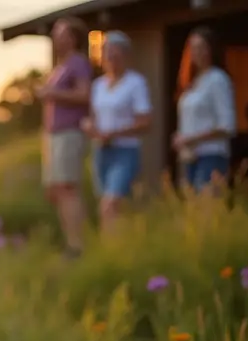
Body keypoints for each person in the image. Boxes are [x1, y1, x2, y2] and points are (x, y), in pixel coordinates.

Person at [81, 31, 152, 233]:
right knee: (108, 204)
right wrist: (90, 127)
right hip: (101, 151)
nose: (111, 59)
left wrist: (114, 133)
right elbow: (94, 118)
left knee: (111, 203)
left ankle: (113, 250)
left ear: (125, 56)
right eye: (108, 54)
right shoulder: (98, 86)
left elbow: (145, 121)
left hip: (125, 151)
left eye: (116, 54)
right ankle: (115, 251)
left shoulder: (135, 83)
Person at [37, 17, 93, 257]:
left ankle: (77, 245)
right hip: (53, 135)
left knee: (67, 187)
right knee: (56, 190)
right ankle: (71, 241)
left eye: (60, 33)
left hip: (69, 133)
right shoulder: (59, 67)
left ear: (72, 39)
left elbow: (84, 95)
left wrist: (52, 92)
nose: (55, 38)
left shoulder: (78, 63)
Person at [172, 26, 237, 193]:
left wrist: (193, 138)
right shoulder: (192, 83)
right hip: (189, 157)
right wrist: (180, 137)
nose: (197, 52)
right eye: (193, 48)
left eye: (202, 47)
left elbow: (227, 126)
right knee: (192, 211)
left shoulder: (218, 80)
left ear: (211, 50)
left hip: (211, 155)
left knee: (207, 209)